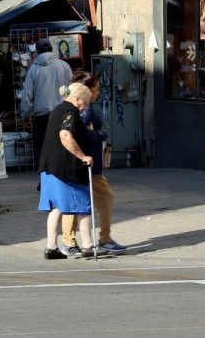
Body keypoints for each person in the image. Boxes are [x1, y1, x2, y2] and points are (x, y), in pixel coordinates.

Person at [38, 82, 108, 260]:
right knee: (84, 207)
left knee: (57, 208)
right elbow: (65, 135)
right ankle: (88, 246)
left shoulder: (56, 110)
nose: (85, 107)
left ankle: (51, 248)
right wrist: (83, 156)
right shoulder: (71, 112)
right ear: (77, 99)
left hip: (49, 168)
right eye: (85, 103)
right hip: (66, 170)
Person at [59, 71, 126, 257]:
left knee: (73, 202)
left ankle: (70, 241)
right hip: (86, 163)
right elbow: (83, 135)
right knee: (97, 199)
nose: (97, 94)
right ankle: (99, 239)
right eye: (95, 90)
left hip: (84, 162)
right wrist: (101, 134)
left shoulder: (75, 108)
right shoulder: (83, 109)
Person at [20, 38, 73, 170]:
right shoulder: (63, 66)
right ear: (51, 49)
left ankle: (44, 177)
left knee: (41, 147)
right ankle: (61, 176)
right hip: (62, 113)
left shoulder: (33, 69)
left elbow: (27, 94)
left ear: (37, 52)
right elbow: (71, 89)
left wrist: (25, 113)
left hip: (41, 115)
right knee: (62, 144)